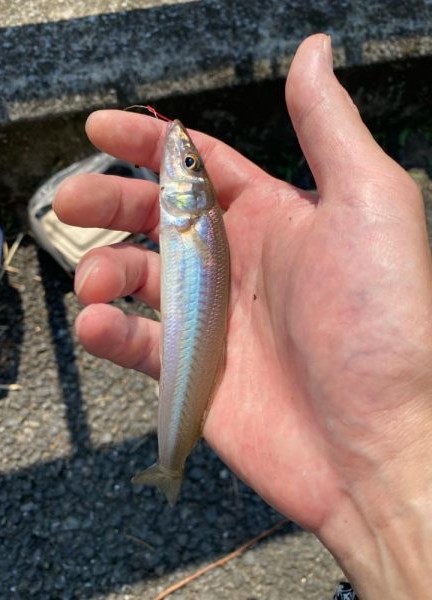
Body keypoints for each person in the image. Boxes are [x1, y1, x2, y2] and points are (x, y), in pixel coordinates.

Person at [53, 34, 432, 599]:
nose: (177, 166)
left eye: (185, 165)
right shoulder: (191, 216)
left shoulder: (194, 215)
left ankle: (170, 462)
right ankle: (169, 459)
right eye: (187, 164)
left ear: (191, 189)